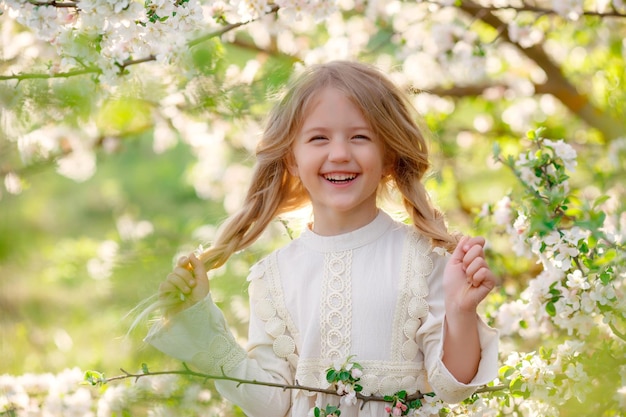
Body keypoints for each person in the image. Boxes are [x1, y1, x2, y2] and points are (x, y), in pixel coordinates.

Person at [145, 60, 498, 417]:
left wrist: (460, 310)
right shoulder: (274, 276)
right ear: (292, 159)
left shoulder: (421, 260)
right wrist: (201, 322)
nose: (340, 154)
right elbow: (271, 403)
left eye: (360, 137)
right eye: (319, 138)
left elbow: (452, 387)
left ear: (389, 155)